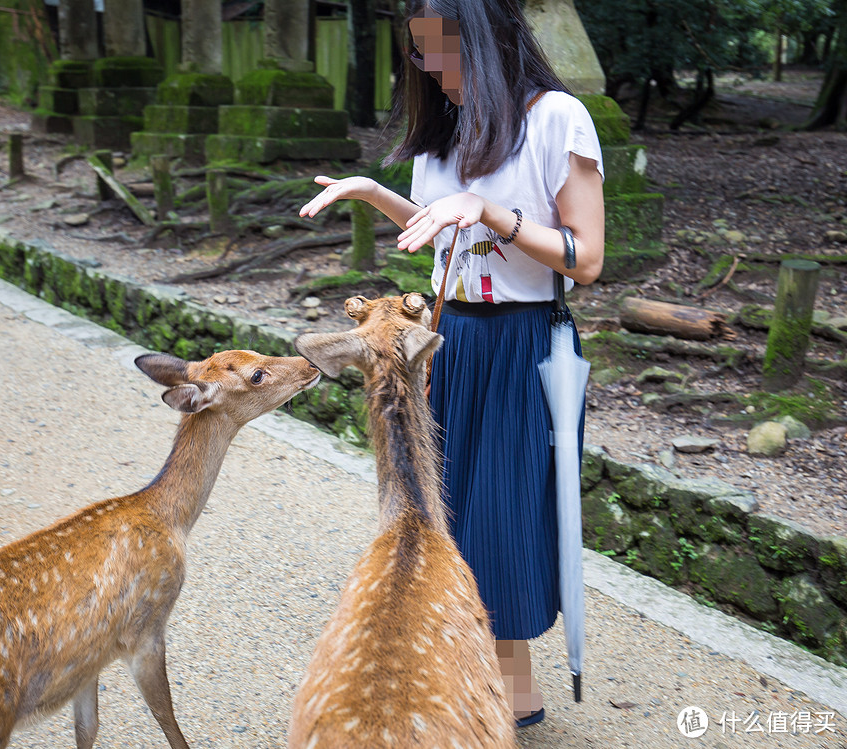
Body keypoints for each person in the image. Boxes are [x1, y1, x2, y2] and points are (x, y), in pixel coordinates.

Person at [298, 0, 604, 729]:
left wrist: (495, 213)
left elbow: (587, 259)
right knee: (444, 511)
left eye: (444, 53)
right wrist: (377, 196)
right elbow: (444, 239)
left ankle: (513, 699)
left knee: (502, 510)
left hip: (524, 341)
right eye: (421, 55)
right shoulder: (444, 132)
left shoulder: (557, 118)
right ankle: (457, 681)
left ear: (491, 42)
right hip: (447, 340)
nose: (432, 69)